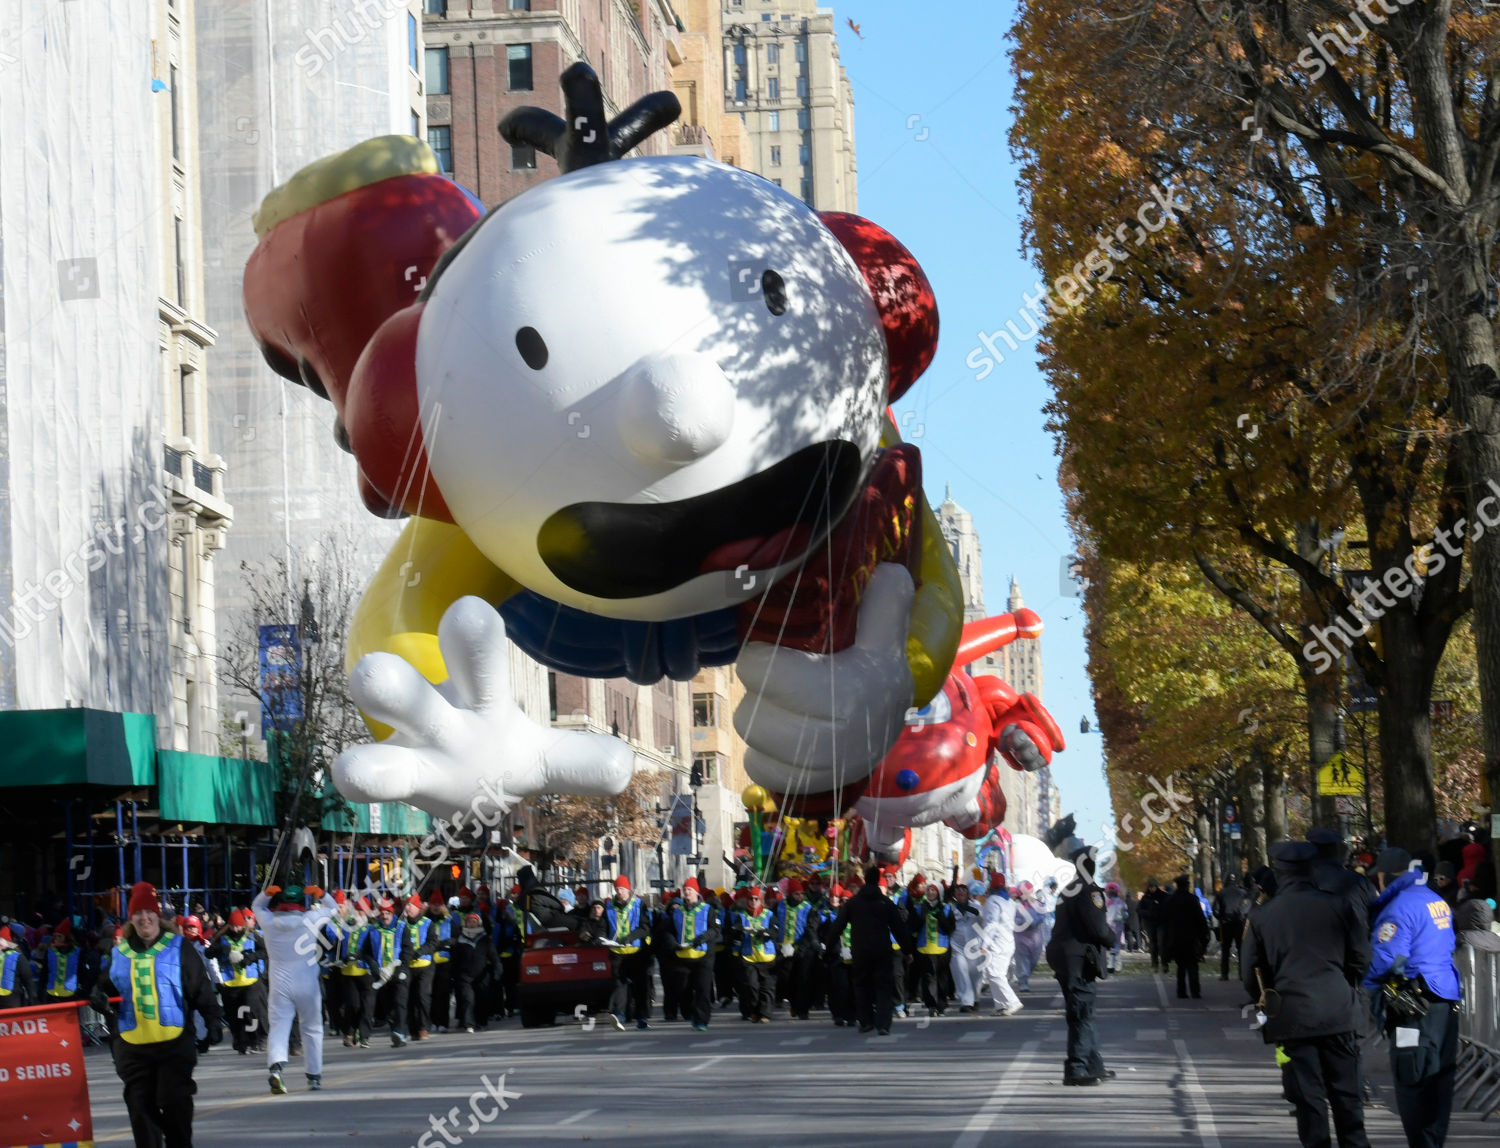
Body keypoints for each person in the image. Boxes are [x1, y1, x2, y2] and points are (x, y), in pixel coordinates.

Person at [1240, 840, 1371, 1148]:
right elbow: (1362, 958)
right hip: (1338, 1010)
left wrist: (1268, 1000)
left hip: (1292, 1014)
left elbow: (1250, 974)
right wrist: (1344, 983)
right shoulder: (1339, 905)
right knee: (1347, 1099)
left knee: (1309, 1101)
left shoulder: (1262, 916)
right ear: (1311, 869)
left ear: (1279, 872)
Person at [92, 882, 222, 1148]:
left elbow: (199, 985)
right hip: (132, 1046)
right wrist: (97, 995)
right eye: (138, 913)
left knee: (174, 1103)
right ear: (131, 918)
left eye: (149, 912)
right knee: (140, 1109)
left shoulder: (179, 947)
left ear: (158, 915)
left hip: (174, 1044)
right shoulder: (119, 953)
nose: (144, 918)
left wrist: (212, 1020)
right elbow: (103, 987)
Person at [1366, 847, 1462, 1148]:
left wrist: (1369, 990)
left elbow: (1388, 958)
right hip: (1443, 1000)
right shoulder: (1436, 901)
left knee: (1412, 1077)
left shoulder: (1399, 907)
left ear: (1386, 876)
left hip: (1411, 1008)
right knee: (1439, 1078)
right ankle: (1433, 1141)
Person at [253, 883, 337, 1093]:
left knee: (279, 1026)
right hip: (307, 982)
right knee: (311, 1028)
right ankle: (314, 1076)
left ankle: (276, 1068)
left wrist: (266, 894)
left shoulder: (269, 921)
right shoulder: (310, 919)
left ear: (280, 903)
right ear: (302, 903)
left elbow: (257, 907)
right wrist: (322, 894)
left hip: (279, 982)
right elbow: (333, 908)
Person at [1046, 846, 1116, 1085]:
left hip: (1063, 955)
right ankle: (1077, 1068)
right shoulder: (1090, 891)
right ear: (1091, 866)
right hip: (1077, 958)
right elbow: (1098, 928)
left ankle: (1093, 1063)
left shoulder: (1067, 890)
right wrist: (1112, 939)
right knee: (1082, 1012)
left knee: (1082, 1010)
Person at [831, 866, 913, 1035]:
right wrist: (907, 950)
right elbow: (899, 928)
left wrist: (829, 946)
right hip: (882, 949)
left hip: (860, 950)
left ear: (864, 880)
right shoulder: (885, 903)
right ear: (877, 881)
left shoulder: (853, 903)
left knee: (862, 986)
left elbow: (837, 926)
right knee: (884, 987)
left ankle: (866, 1021)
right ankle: (883, 1024)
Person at [208, 908, 268, 1054]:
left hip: (251, 982)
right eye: (233, 925)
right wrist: (223, 950)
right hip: (230, 984)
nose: (236, 929)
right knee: (235, 1016)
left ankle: (256, 1040)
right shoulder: (221, 939)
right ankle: (241, 1042)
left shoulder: (252, 937)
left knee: (251, 1011)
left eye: (239, 925)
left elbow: (265, 951)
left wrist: (249, 958)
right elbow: (208, 953)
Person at [665, 877, 719, 1031]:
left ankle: (702, 1020)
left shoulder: (708, 909)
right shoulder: (678, 911)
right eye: (685, 890)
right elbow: (669, 930)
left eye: (690, 890)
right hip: (683, 956)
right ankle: (691, 1013)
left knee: (702, 989)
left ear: (696, 892)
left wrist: (702, 939)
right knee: (683, 988)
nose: (687, 893)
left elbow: (715, 929)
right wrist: (672, 943)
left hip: (703, 956)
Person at [602, 875, 652, 1030]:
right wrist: (600, 937)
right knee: (619, 984)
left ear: (628, 889)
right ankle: (620, 1014)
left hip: (636, 952)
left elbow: (645, 928)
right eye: (617, 889)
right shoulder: (609, 906)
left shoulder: (639, 905)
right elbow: (603, 926)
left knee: (640, 986)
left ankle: (642, 1017)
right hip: (616, 952)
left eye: (622, 889)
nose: (620, 892)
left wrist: (630, 938)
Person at [359, 897, 407, 1044]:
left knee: (399, 1003)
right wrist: (373, 965)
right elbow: (365, 951)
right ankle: (392, 1032)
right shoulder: (373, 930)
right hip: (380, 974)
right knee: (387, 1006)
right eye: (382, 914)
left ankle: (400, 1033)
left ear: (392, 914)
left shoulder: (402, 927)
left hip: (397, 971)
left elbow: (407, 950)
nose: (385, 917)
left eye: (388, 913)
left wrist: (401, 968)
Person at [772, 878, 820, 1019]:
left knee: (803, 980)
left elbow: (811, 929)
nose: (799, 897)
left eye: (801, 894)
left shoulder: (808, 909)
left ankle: (803, 1010)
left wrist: (802, 947)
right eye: (796, 894)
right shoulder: (779, 906)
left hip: (803, 951)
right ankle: (794, 1004)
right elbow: (773, 925)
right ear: (789, 894)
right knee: (787, 979)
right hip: (784, 950)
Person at [907, 880, 956, 1016]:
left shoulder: (946, 908)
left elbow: (950, 928)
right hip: (924, 948)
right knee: (928, 978)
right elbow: (913, 926)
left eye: (933, 890)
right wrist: (921, 916)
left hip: (942, 949)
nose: (930, 893)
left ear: (939, 892)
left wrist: (940, 916)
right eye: (929, 890)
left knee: (941, 978)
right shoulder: (919, 907)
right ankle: (931, 1005)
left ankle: (941, 1003)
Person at [980, 872, 1023, 1016]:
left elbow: (991, 923)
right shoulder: (1010, 901)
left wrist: (984, 944)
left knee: (993, 973)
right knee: (998, 974)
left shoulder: (992, 901)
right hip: (1007, 941)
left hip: (997, 942)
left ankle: (1012, 1001)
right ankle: (1001, 1005)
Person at [1163, 873, 1210, 999]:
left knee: (1181, 965)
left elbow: (1165, 921)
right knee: (1192, 964)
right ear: (1187, 885)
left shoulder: (1170, 900)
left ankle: (1181, 991)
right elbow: (1200, 919)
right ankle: (1195, 991)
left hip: (1176, 937)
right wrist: (1204, 934)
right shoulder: (1193, 900)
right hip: (1191, 937)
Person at [449, 912, 496, 1032]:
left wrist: (497, 970)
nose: (471, 924)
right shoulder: (460, 939)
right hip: (465, 975)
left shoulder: (484, 939)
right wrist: (453, 973)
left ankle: (481, 1022)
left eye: (474, 922)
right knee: (468, 998)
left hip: (481, 975)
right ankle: (469, 1024)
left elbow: (493, 956)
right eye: (469, 922)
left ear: (478, 923)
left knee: (481, 998)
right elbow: (455, 958)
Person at [947, 881, 984, 1012]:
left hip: (974, 947)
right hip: (957, 947)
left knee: (975, 975)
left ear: (968, 893)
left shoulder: (977, 907)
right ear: (955, 894)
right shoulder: (950, 908)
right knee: (960, 972)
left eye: (963, 890)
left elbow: (985, 923)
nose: (961, 892)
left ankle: (976, 999)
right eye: (958, 890)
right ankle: (966, 1002)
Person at [40, 917, 95, 1004]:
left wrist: (82, 989)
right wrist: (41, 990)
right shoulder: (50, 952)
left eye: (59, 936)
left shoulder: (78, 952)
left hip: (71, 994)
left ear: (66, 937)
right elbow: (44, 972)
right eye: (55, 936)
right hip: (52, 995)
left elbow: (82, 972)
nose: (56, 939)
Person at [1213, 873, 1253, 981]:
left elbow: (1215, 910)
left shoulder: (1221, 893)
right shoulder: (1243, 893)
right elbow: (1247, 908)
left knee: (1225, 949)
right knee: (1241, 949)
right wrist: (1242, 917)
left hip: (1226, 924)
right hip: (1239, 923)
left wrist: (1221, 918)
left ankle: (1224, 974)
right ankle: (1242, 974)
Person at [426, 892, 456, 1032]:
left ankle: (443, 1022)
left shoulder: (449, 921)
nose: (436, 907)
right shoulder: (425, 921)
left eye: (439, 904)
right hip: (428, 961)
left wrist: (448, 943)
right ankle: (432, 1021)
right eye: (434, 904)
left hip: (445, 962)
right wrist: (441, 944)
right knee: (430, 993)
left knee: (443, 993)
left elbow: (456, 938)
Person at [1011, 881, 1047, 991]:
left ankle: (1025, 975)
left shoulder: (1036, 904)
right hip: (1020, 937)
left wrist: (1036, 921)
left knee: (1033, 960)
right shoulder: (1014, 905)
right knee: (1022, 959)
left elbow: (1043, 915)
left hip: (1035, 937)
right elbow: (1011, 919)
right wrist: (1021, 922)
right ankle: (1023, 982)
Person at [0, 923, 38, 1007]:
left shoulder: (18, 957)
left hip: (12, 1002)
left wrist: (33, 1001)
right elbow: (28, 981)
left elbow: (28, 980)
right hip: (13, 1001)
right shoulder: (19, 956)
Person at [1139, 876, 1169, 971]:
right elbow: (1139, 910)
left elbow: (1169, 907)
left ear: (1156, 887)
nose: (1152, 889)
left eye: (1153, 887)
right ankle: (1155, 964)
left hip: (1161, 922)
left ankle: (1164, 963)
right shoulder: (1145, 897)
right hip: (1150, 924)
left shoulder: (1163, 896)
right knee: (1153, 944)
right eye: (1150, 887)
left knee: (1162, 943)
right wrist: (1147, 913)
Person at [1104, 883, 1127, 973]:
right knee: (1116, 946)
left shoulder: (1105, 902)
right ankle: (1117, 966)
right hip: (1117, 926)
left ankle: (1110, 966)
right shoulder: (1121, 902)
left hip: (1107, 926)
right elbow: (1125, 914)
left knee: (1108, 946)